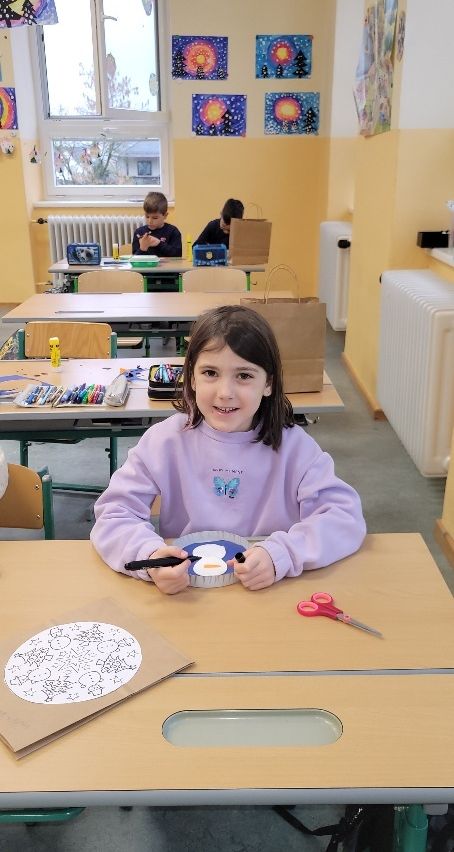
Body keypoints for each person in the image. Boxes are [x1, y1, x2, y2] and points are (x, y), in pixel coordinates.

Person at [91, 306, 366, 595]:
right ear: (192, 378)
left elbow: (344, 517)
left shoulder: (296, 449)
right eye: (210, 372)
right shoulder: (165, 441)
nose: (225, 392)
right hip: (189, 595)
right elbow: (113, 514)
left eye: (244, 376)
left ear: (268, 383)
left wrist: (281, 554)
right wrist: (150, 557)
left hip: (269, 590)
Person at [132, 191, 182, 257]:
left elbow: (178, 255)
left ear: (165, 215)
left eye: (155, 218)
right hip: (147, 267)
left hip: (168, 267)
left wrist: (158, 243)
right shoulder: (139, 232)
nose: (150, 221)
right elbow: (135, 258)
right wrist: (142, 249)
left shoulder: (173, 231)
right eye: (147, 217)